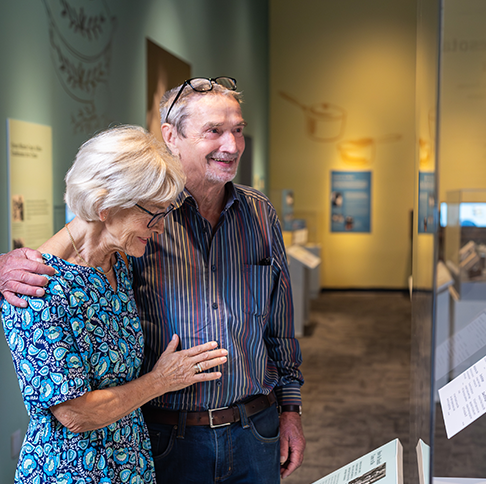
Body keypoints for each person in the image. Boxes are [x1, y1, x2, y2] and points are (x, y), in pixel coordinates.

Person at [0, 77, 305, 483]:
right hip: (159, 441)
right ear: (171, 136)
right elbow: (76, 243)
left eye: (237, 130)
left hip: (245, 431)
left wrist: (290, 409)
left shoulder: (255, 215)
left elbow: (279, 327)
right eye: (213, 131)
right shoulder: (129, 231)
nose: (231, 146)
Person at [1, 125, 228, 483]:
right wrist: (161, 381)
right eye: (154, 213)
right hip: (72, 472)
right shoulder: (36, 287)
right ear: (106, 204)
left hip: (128, 462)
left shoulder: (117, 264)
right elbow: (75, 414)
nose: (160, 228)